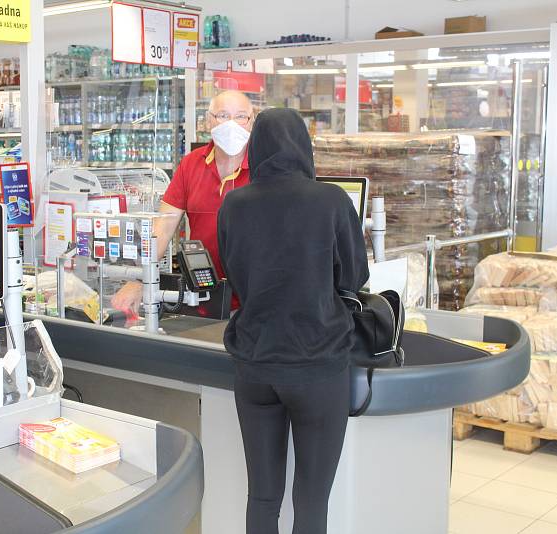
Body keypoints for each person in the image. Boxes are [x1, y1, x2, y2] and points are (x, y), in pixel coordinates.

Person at [217, 108, 369, 534]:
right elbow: (355, 277)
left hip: (254, 365)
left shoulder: (234, 203)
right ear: (305, 146)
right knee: (310, 499)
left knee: (262, 497)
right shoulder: (332, 200)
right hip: (317, 365)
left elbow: (231, 269)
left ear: (257, 147)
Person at [112, 90, 254, 314]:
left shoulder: (263, 168)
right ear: (208, 121)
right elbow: (163, 227)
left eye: (241, 116)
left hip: (253, 301)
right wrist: (139, 279)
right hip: (203, 296)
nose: (232, 124)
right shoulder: (191, 165)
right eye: (223, 115)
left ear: (252, 122)